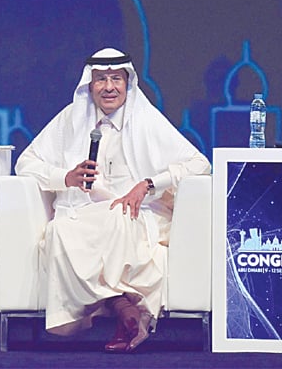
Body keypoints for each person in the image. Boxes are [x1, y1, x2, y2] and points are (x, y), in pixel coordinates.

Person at [15, 47, 211, 353]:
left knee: (114, 219)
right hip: (82, 211)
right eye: (101, 79)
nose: (109, 87)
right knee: (58, 231)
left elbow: (199, 164)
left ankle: (121, 310)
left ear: (128, 82)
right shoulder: (70, 120)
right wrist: (65, 177)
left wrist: (147, 185)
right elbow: (26, 163)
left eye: (116, 79)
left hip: (136, 211)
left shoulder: (146, 120)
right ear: (89, 85)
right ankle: (124, 309)